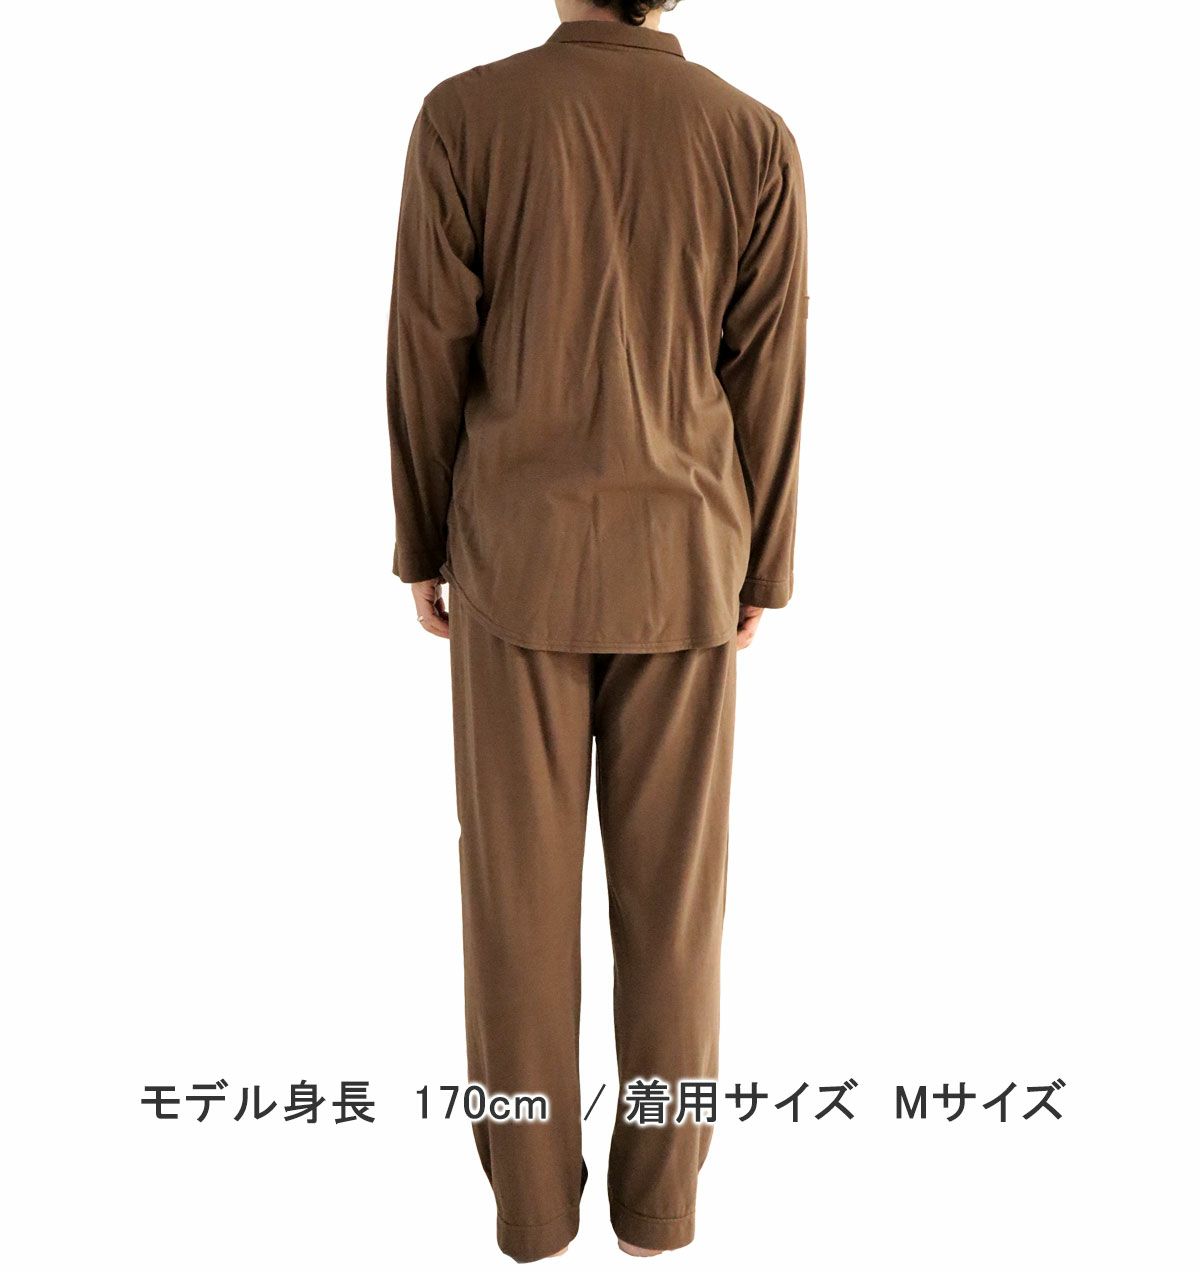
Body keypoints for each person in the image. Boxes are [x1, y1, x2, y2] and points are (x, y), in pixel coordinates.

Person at [386, 0, 808, 1260]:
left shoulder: (466, 115)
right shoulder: (752, 135)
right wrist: (764, 563)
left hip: (512, 560)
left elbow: (427, 342)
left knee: (513, 907)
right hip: (688, 560)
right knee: (675, 914)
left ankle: (529, 1212)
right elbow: (770, 363)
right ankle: (661, 1210)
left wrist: (420, 539)